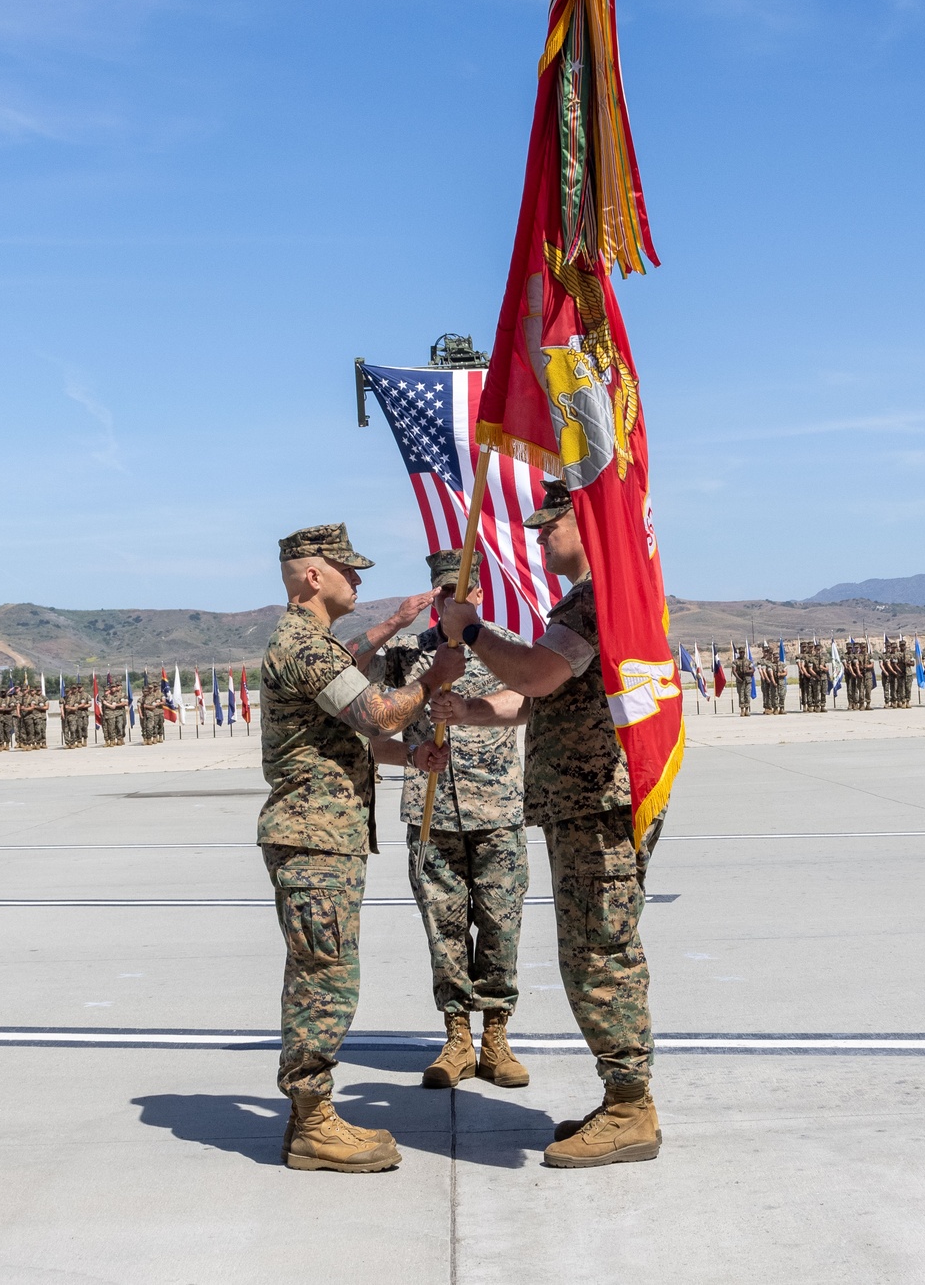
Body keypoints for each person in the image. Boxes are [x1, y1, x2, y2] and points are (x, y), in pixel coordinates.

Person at [431, 479, 665, 1169]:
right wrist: (473, 712)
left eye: (549, 524)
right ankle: (623, 1097)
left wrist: (470, 630)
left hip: (597, 804)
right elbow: (542, 694)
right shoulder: (594, 599)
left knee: (600, 953)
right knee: (592, 949)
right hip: (584, 804)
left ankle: (630, 1107)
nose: (538, 537)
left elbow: (536, 674)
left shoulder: (597, 598)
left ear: (584, 522)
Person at [258, 522, 463, 1174]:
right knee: (326, 979)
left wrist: (410, 755)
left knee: (326, 972)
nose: (360, 579)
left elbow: (356, 739)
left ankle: (310, 1118)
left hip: (325, 835)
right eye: (350, 569)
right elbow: (376, 712)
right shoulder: (304, 645)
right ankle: (313, 1124)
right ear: (314, 576)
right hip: (312, 837)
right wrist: (433, 682)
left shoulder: (314, 644)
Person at [366, 548, 529, 1091]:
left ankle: (497, 1037)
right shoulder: (410, 654)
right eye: (441, 594)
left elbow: (527, 699)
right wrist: (393, 624)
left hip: (497, 809)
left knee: (501, 926)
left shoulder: (502, 647)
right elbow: (358, 702)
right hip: (431, 812)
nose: (451, 601)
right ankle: (457, 1037)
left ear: (478, 593)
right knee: (445, 929)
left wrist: (470, 709)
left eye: (460, 591)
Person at [732, 645, 753, 717]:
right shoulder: (736, 661)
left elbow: (753, 669)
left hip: (747, 680)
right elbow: (734, 671)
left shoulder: (748, 661)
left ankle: (747, 710)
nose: (742, 654)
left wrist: (747, 671)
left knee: (747, 695)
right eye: (740, 652)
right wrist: (738, 678)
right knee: (741, 695)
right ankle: (742, 710)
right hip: (740, 680)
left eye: (743, 652)